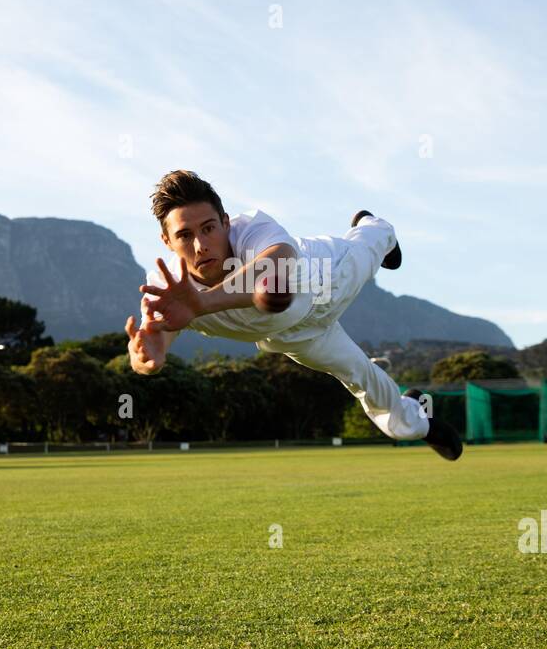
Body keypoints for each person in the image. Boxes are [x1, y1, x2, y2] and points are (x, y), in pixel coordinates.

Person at [124, 170, 463, 460]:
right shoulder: (164, 288)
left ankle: (371, 223)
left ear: (225, 223)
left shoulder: (252, 228)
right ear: (166, 240)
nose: (200, 245)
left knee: (372, 243)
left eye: (209, 228)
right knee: (381, 403)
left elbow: (277, 265)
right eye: (184, 235)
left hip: (327, 279)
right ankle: (418, 415)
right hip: (297, 336)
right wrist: (148, 358)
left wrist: (202, 303)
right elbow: (156, 339)